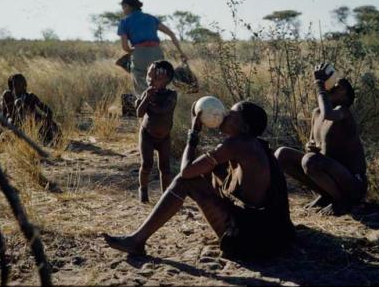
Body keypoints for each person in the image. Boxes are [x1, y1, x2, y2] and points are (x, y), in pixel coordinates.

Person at [102, 101, 294, 258]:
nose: (225, 116)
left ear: (244, 127)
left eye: (232, 115)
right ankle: (137, 240)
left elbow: (186, 172)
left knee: (185, 181)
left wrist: (193, 135)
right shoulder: (253, 145)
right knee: (210, 170)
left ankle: (137, 241)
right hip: (268, 232)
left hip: (249, 235)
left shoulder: (238, 143)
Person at [275, 63, 367, 216]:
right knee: (281, 155)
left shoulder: (343, 113)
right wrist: (310, 146)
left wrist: (319, 85)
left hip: (352, 183)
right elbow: (311, 145)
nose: (330, 87)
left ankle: (342, 200)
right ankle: (326, 195)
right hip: (328, 172)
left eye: (337, 86)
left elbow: (329, 115)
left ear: (345, 95)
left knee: (310, 161)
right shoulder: (317, 113)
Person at [117, 0, 189, 98]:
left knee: (139, 80)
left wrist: (132, 51)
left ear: (128, 6)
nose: (123, 11)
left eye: (123, 7)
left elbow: (125, 47)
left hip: (139, 54)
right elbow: (171, 34)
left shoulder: (124, 22)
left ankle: (145, 107)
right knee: (159, 80)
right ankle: (165, 105)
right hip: (156, 53)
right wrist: (181, 53)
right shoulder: (151, 18)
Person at [135, 60, 177, 202]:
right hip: (147, 135)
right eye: (149, 76)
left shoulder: (171, 95)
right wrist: (146, 98)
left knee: (165, 168)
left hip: (164, 137)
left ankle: (165, 195)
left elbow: (163, 110)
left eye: (156, 77)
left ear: (167, 80)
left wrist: (147, 104)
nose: (151, 80)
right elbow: (139, 114)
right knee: (146, 164)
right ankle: (143, 190)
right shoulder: (146, 94)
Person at [1, 73, 61, 146]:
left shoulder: (30, 96)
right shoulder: (8, 96)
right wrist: (2, 130)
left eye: (19, 84)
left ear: (24, 85)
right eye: (14, 84)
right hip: (15, 124)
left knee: (47, 126)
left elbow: (48, 110)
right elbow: (4, 114)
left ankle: (46, 138)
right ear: (11, 86)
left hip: (32, 124)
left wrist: (47, 120)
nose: (16, 87)